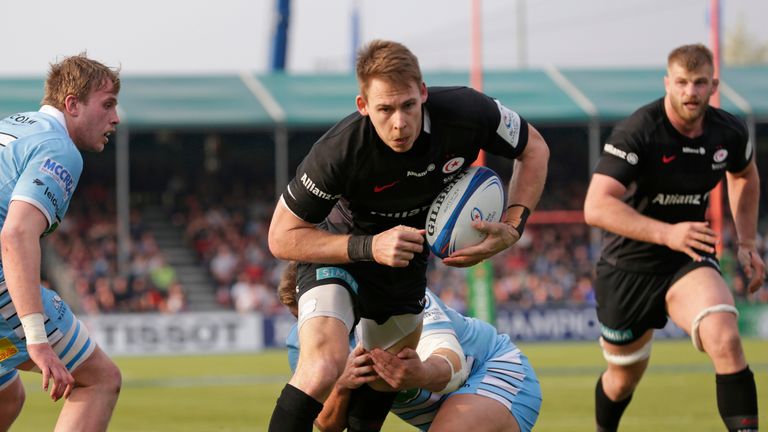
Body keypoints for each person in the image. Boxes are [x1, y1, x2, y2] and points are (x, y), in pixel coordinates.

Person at [267, 39, 549, 431]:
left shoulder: (468, 112)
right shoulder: (337, 152)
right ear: (363, 106)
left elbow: (533, 148)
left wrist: (514, 225)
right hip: (340, 253)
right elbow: (281, 237)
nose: (399, 123)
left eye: (408, 106)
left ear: (423, 94)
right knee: (323, 365)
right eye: (384, 109)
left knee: (384, 377)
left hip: (404, 266)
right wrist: (370, 246)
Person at [583, 43, 763, 432]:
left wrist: (747, 242)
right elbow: (595, 206)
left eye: (699, 83)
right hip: (627, 265)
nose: (690, 92)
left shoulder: (728, 131)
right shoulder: (639, 130)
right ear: (668, 83)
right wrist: (667, 232)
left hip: (688, 257)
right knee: (622, 378)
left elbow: (744, 174)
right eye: (682, 82)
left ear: (713, 84)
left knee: (726, 338)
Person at [0, 54, 122, 431]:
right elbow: (17, 234)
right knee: (100, 380)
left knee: (8, 395)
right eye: (107, 104)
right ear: (72, 104)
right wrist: (37, 341)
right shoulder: (58, 148)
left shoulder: (12, 126)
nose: (115, 118)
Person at [278, 261, 542, 432]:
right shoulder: (303, 339)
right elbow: (327, 424)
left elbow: (451, 358)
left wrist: (422, 373)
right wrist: (341, 384)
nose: (314, 324)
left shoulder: (395, 301)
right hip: (445, 409)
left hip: (492, 369)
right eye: (300, 318)